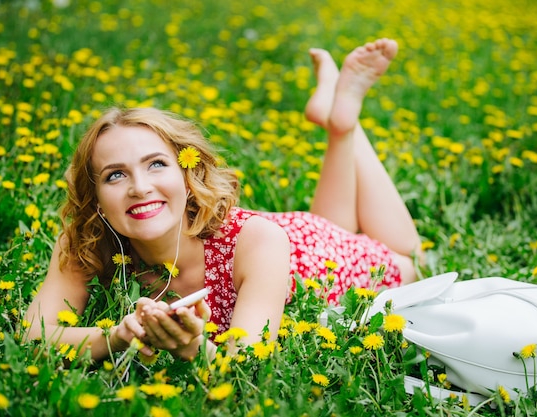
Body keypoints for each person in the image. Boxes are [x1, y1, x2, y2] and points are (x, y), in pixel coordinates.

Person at [24, 38, 422, 362]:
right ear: (95, 197)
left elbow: (248, 361)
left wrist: (194, 350)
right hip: (288, 246)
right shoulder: (88, 243)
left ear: (187, 173)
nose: (139, 187)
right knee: (339, 224)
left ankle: (344, 123)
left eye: (157, 164)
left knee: (411, 257)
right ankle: (336, 122)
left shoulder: (257, 240)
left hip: (309, 253)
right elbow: (34, 336)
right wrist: (116, 335)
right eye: (115, 174)